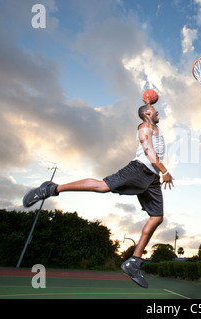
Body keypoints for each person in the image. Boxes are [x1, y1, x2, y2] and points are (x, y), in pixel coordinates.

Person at [22, 104, 174, 288]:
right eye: (154, 110)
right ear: (147, 114)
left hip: (151, 177)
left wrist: (159, 173)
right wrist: (164, 170)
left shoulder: (155, 127)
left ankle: (134, 261)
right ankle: (51, 189)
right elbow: (148, 150)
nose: (158, 112)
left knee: (157, 217)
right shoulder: (145, 127)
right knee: (102, 186)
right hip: (139, 169)